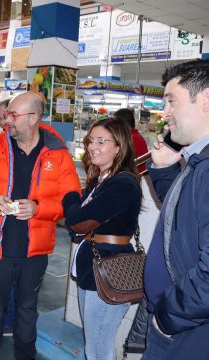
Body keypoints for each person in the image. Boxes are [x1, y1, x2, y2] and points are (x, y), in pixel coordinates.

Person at [0, 92, 81, 359]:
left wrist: (39, 209)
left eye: (13, 115)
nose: (6, 120)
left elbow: (70, 199)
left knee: (28, 310)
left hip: (35, 253)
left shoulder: (58, 156)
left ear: (33, 118)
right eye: (6, 115)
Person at [143, 59, 209, 360]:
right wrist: (167, 172)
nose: (164, 113)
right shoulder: (205, 159)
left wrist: (168, 316)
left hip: (192, 331)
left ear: (205, 99)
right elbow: (186, 221)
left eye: (171, 101)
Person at [63, 117, 142, 360]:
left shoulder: (123, 183)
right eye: (90, 141)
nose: (91, 146)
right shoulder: (100, 180)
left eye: (101, 141)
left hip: (109, 271)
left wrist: (69, 197)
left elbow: (76, 220)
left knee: (98, 349)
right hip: (94, 269)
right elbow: (76, 228)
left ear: (119, 147)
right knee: (93, 344)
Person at [113, 108, 148, 172]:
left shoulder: (131, 139)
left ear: (122, 124)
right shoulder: (135, 136)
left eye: (115, 125)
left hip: (134, 176)